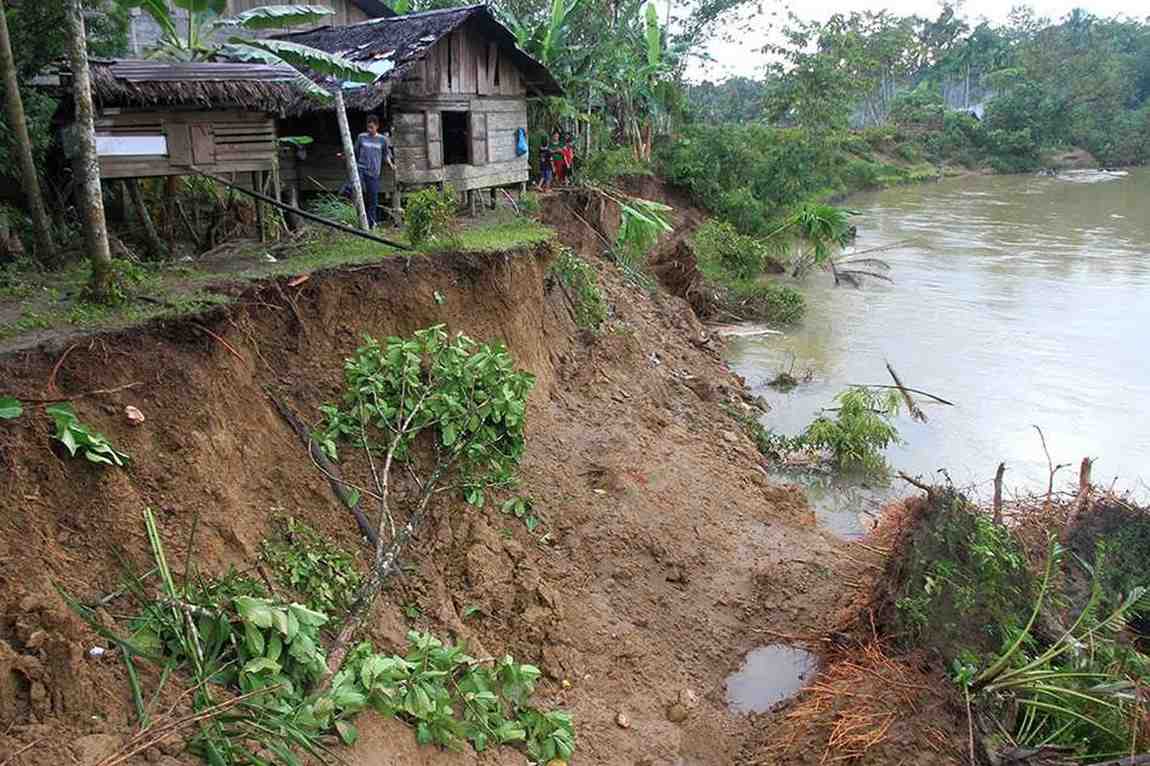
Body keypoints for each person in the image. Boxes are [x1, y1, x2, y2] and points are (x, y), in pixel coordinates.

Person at [354, 114, 394, 227]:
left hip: (374, 172)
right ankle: (356, 219)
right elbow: (355, 151)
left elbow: (386, 155)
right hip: (361, 169)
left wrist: (391, 165)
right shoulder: (361, 137)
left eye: (371, 127)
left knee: (373, 200)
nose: (369, 130)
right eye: (368, 127)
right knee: (353, 190)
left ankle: (371, 223)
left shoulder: (382, 140)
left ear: (377, 126)